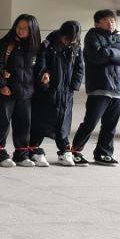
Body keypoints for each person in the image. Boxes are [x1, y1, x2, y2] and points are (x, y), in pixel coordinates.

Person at [70, 9, 120, 166]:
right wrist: (117, 51)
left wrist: (109, 52)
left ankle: (103, 153)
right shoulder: (92, 36)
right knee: (91, 122)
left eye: (113, 21)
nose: (111, 23)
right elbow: (97, 56)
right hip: (100, 87)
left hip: (118, 89)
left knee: (110, 125)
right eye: (106, 21)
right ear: (97, 23)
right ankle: (74, 151)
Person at [0, 14, 45, 168]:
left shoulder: (36, 47)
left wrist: (44, 76)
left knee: (23, 125)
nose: (21, 31)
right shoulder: (6, 43)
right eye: (19, 27)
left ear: (32, 30)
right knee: (2, 124)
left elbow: (39, 68)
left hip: (26, 93)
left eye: (25, 29)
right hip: (7, 92)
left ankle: (21, 155)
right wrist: (2, 85)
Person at [30, 21, 84, 167]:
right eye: (66, 38)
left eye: (72, 40)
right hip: (48, 91)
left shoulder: (76, 48)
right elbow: (40, 64)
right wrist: (44, 78)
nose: (68, 42)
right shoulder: (48, 45)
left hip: (66, 93)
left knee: (63, 124)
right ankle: (33, 149)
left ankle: (64, 151)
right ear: (61, 34)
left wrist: (73, 87)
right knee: (41, 122)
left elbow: (79, 68)